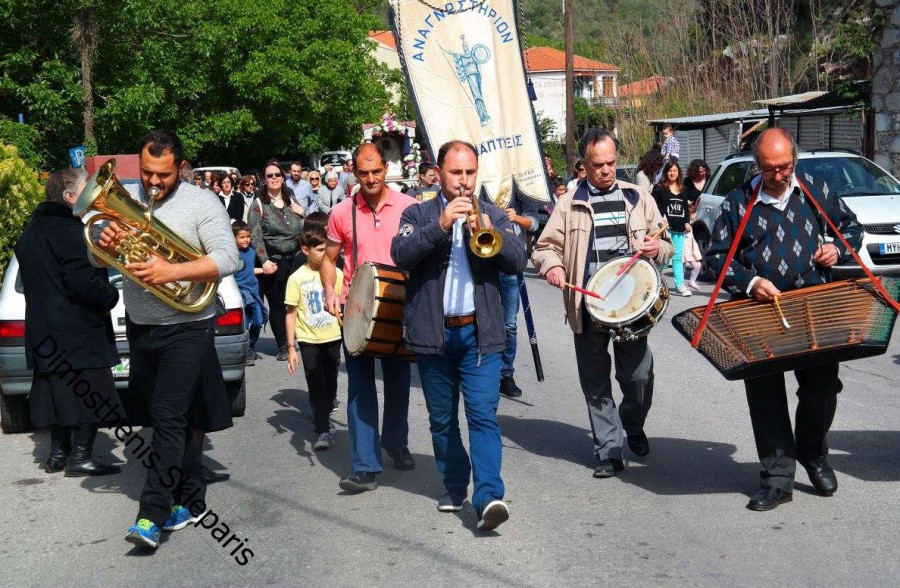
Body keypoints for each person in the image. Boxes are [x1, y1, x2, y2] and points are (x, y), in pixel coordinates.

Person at [93, 130, 240, 549]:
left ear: (180, 167)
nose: (153, 182)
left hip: (188, 326)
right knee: (163, 417)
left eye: (162, 174)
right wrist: (102, 242)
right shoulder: (127, 198)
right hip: (141, 325)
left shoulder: (202, 202)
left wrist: (171, 272)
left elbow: (228, 257)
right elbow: (97, 255)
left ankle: (150, 514)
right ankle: (191, 500)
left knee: (168, 419)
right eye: (146, 173)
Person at [705, 127, 862, 511]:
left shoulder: (815, 190)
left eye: (785, 167)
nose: (778, 175)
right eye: (770, 168)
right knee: (765, 396)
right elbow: (716, 260)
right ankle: (777, 478)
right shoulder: (737, 203)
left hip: (813, 305)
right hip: (759, 312)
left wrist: (835, 248)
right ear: (757, 165)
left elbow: (852, 229)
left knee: (822, 388)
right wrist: (751, 282)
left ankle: (814, 454)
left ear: (794, 159)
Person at [391, 140, 526, 530]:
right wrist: (442, 226)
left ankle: (488, 497)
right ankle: (453, 484)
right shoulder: (417, 213)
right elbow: (400, 253)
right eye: (455, 173)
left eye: (470, 173)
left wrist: (484, 230)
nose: (463, 181)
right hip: (434, 335)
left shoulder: (494, 214)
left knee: (483, 415)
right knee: (441, 419)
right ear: (439, 172)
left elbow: (517, 260)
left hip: (479, 334)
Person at [532, 127, 673, 479]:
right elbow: (544, 247)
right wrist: (552, 266)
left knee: (639, 377)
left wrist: (660, 249)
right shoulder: (569, 203)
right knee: (595, 383)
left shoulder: (637, 197)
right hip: (588, 306)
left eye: (611, 162)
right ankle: (609, 450)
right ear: (585, 164)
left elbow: (666, 241)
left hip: (631, 307)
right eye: (598, 165)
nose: (606, 170)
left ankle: (633, 424)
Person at [320, 142, 417, 492]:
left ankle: (395, 442)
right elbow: (329, 258)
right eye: (363, 172)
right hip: (357, 309)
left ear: (386, 168)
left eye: (376, 170)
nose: (371, 178)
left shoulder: (410, 207)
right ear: (353, 171)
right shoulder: (342, 212)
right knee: (360, 388)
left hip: (399, 307)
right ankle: (364, 465)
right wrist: (331, 292)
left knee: (398, 382)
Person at [16, 168, 122, 478]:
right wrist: (110, 296)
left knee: (56, 391)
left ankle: (57, 455)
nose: (93, 191)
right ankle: (80, 457)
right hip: (77, 330)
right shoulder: (70, 231)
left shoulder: (31, 231)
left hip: (44, 329)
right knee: (93, 391)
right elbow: (82, 284)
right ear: (70, 197)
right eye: (86, 187)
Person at [285, 212, 343, 451]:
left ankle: (326, 409)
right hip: (308, 339)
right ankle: (322, 429)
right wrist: (291, 347)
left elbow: (344, 306)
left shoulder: (337, 275)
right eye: (320, 250)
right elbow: (290, 313)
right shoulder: (297, 278)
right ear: (306, 250)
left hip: (333, 336)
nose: (326, 254)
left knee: (330, 382)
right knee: (316, 383)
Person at [248, 160, 306, 361]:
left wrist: (303, 213)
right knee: (278, 303)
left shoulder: (290, 198)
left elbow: (304, 226)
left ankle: (294, 337)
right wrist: (263, 260)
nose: (274, 178)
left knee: (296, 302)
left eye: (277, 175)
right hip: (273, 260)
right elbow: (255, 235)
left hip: (295, 259)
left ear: (283, 178)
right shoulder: (259, 204)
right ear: (264, 180)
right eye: (270, 176)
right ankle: (282, 344)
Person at [497, 190, 540, 398]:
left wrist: (516, 218)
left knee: (509, 324)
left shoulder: (519, 186)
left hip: (510, 264)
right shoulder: (480, 182)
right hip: (481, 263)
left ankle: (506, 374)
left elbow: (534, 223)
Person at [652, 161, 692, 297]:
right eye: (670, 170)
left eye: (675, 170)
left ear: (678, 172)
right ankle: (653, 279)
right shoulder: (659, 188)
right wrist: (658, 220)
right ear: (665, 172)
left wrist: (687, 222)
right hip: (664, 229)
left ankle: (680, 285)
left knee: (677, 257)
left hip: (679, 228)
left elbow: (685, 208)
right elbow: (651, 206)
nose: (672, 173)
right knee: (665, 257)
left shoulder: (683, 188)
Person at [232, 221, 266, 365]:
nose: (246, 240)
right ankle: (245, 351)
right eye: (242, 237)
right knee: (244, 324)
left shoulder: (252, 251)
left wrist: (265, 270)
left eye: (248, 236)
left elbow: (249, 270)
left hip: (253, 292)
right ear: (233, 238)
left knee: (258, 321)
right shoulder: (232, 254)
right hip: (240, 293)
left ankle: (251, 345)